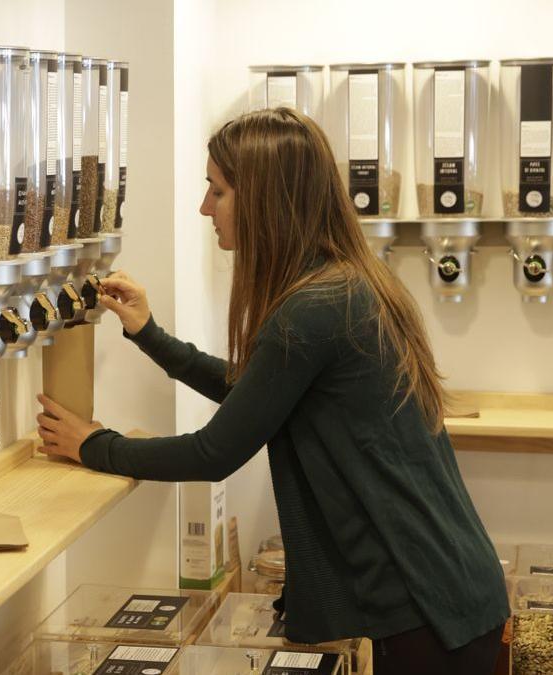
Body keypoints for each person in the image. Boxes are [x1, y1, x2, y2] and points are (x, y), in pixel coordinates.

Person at [35, 107, 509, 675]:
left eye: (218, 190)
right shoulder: (342, 283)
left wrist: (93, 445)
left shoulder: (313, 310)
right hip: (447, 591)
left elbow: (214, 452)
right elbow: (256, 390)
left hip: (427, 610)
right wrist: (149, 334)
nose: (205, 207)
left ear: (264, 199)